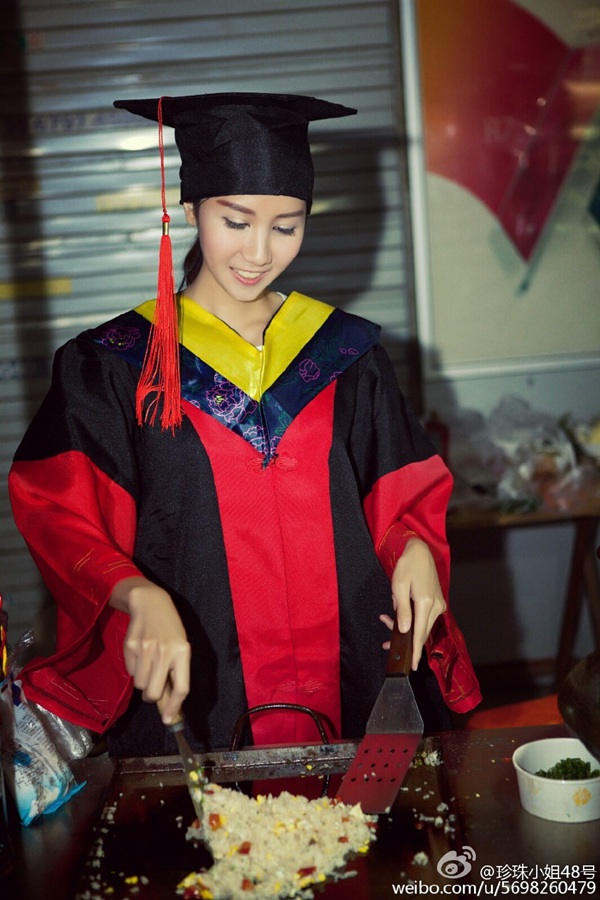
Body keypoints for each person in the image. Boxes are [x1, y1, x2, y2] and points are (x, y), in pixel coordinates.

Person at [8, 93, 481, 756]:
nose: (259, 252)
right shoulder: (114, 365)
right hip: (204, 687)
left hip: (354, 675)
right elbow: (60, 510)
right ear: (191, 209)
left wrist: (415, 551)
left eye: (287, 226)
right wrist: (132, 592)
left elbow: (398, 489)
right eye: (236, 220)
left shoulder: (347, 354)